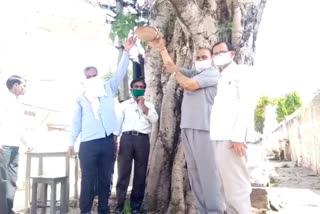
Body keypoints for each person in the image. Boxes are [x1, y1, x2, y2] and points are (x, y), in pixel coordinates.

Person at [150, 37, 224, 214]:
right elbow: (171, 68)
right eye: (197, 57)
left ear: (211, 59)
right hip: (188, 128)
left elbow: (188, 85)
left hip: (204, 129)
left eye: (204, 57)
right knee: (194, 173)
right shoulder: (194, 73)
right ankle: (202, 210)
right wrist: (162, 48)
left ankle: (215, 211)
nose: (200, 60)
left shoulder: (213, 73)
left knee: (209, 174)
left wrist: (177, 75)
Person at [68, 37, 136, 214]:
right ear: (85, 78)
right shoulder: (81, 97)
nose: (91, 78)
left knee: (106, 179)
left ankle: (104, 210)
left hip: (106, 142)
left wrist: (127, 51)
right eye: (88, 76)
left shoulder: (108, 88)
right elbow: (76, 121)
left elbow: (120, 72)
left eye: (93, 75)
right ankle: (85, 211)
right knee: (88, 180)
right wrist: (71, 141)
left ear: (98, 75)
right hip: (88, 144)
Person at [210, 41, 254, 214]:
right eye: (214, 54)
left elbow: (246, 104)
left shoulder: (240, 72)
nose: (217, 56)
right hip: (219, 137)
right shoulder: (219, 77)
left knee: (237, 189)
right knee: (225, 188)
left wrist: (238, 136)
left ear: (232, 54)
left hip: (232, 138)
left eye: (221, 52)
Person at [115, 78, 158, 214]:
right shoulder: (124, 105)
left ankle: (135, 207)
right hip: (126, 139)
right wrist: (115, 142)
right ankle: (120, 206)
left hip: (142, 140)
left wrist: (143, 105)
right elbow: (117, 125)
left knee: (140, 174)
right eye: (136, 86)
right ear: (131, 88)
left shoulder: (149, 105)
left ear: (144, 89)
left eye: (141, 87)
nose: (138, 88)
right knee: (123, 173)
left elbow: (155, 119)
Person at [0, 75, 28, 214]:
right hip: (3, 146)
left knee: (11, 180)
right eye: (23, 85)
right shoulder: (3, 99)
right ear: (15, 85)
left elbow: (20, 127)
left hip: (15, 146)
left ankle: (8, 210)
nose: (24, 88)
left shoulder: (18, 103)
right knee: (2, 181)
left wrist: (28, 144)